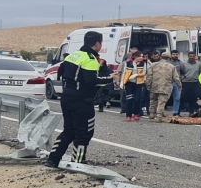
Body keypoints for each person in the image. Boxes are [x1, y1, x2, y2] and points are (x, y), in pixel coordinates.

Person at [45, 31, 118, 167]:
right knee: (84, 133)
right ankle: (78, 162)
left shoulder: (73, 55)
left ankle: (52, 160)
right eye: (101, 43)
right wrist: (110, 78)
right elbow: (92, 81)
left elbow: (61, 73)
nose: (101, 46)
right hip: (82, 100)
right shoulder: (90, 59)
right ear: (97, 44)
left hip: (66, 97)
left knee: (69, 130)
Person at [145, 51, 182, 121]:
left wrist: (148, 86)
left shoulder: (153, 65)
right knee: (161, 102)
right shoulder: (171, 67)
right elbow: (176, 78)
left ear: (161, 57)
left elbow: (149, 76)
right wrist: (179, 86)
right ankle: (159, 116)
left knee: (153, 100)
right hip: (165, 86)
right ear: (169, 59)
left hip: (154, 86)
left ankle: (152, 114)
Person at [121, 51, 147, 122]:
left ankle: (136, 113)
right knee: (129, 99)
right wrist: (122, 82)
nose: (141, 58)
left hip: (139, 83)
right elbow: (124, 72)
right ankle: (128, 115)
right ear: (135, 56)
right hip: (129, 83)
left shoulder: (143, 63)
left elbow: (144, 73)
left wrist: (136, 75)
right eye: (140, 56)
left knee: (137, 99)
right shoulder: (128, 63)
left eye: (142, 56)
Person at [181, 51, 201, 115]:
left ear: (195, 56)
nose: (192, 57)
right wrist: (182, 77)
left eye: (193, 56)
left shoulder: (199, 64)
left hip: (195, 83)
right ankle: (177, 113)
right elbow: (181, 72)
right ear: (188, 56)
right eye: (190, 56)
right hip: (185, 82)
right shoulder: (183, 63)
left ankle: (191, 112)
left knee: (193, 98)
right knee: (183, 97)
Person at [118, 47, 138, 114]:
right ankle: (123, 108)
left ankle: (130, 109)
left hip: (131, 81)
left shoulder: (135, 63)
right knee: (123, 95)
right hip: (123, 80)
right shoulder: (123, 63)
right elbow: (120, 72)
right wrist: (119, 81)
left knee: (131, 96)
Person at [168, 50, 185, 116]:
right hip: (169, 82)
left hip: (177, 82)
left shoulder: (180, 62)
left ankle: (175, 112)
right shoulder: (168, 62)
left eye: (176, 54)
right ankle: (161, 112)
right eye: (174, 54)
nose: (175, 55)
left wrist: (182, 77)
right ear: (171, 55)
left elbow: (184, 72)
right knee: (165, 97)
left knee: (177, 98)